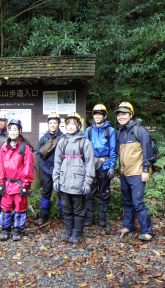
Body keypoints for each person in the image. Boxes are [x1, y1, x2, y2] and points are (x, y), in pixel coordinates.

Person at [53, 112, 95, 244]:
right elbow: (57, 162)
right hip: (64, 181)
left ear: (78, 125)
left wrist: (88, 182)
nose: (71, 126)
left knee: (79, 209)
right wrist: (56, 179)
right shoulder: (62, 141)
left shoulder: (85, 142)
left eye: (73, 124)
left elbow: (90, 163)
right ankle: (69, 230)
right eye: (68, 124)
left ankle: (77, 233)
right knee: (66, 208)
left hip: (78, 181)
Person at [115, 102, 154, 241]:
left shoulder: (139, 130)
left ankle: (147, 231)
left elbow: (148, 151)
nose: (121, 116)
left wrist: (145, 170)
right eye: (119, 114)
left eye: (124, 113)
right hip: (125, 173)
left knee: (138, 202)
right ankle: (128, 225)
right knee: (127, 201)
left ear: (131, 115)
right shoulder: (121, 132)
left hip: (137, 172)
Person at [0, 119, 35, 241]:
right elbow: (1, 166)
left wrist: (26, 185)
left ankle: (17, 229)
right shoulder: (4, 147)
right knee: (5, 207)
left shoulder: (25, 147)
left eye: (15, 129)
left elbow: (28, 167)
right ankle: (5, 229)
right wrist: (1, 183)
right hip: (8, 183)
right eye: (11, 129)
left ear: (19, 131)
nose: (13, 132)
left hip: (19, 184)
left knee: (20, 207)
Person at [84, 104, 117, 232]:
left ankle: (102, 218)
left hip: (105, 164)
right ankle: (90, 217)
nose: (97, 116)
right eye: (95, 113)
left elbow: (113, 150)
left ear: (105, 116)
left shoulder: (111, 131)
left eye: (100, 114)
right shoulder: (89, 130)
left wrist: (112, 166)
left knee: (104, 192)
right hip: (91, 164)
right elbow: (85, 149)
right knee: (90, 192)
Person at [35, 112, 63, 225]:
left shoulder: (63, 137)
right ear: (48, 124)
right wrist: (45, 169)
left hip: (60, 170)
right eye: (51, 122)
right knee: (46, 193)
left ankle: (63, 216)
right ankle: (43, 216)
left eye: (55, 122)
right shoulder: (44, 138)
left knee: (61, 193)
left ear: (58, 124)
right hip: (46, 171)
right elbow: (38, 155)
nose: (53, 124)